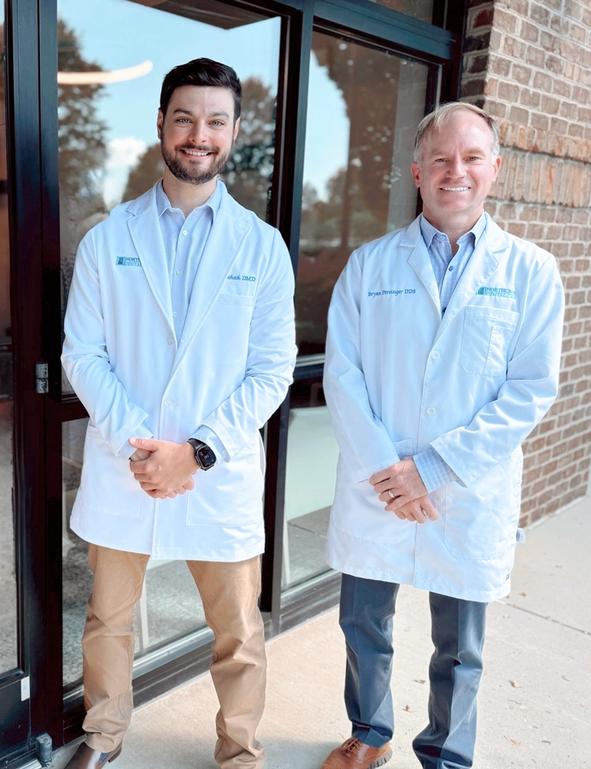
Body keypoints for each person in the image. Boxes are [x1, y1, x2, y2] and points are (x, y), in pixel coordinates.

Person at [61, 58, 296, 769]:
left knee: (237, 628)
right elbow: (83, 351)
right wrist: (145, 445)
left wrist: (193, 450)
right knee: (108, 618)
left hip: (213, 469)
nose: (199, 134)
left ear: (232, 132)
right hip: (127, 460)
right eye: (185, 118)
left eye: (215, 121)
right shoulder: (108, 238)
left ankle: (240, 749)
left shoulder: (261, 246)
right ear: (161, 124)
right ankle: (102, 735)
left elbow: (270, 369)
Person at [320, 102, 564, 769]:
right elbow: (341, 376)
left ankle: (444, 754)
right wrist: (388, 470)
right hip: (378, 485)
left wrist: (429, 468)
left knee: (459, 644)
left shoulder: (531, 272)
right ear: (417, 173)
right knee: (363, 623)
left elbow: (529, 390)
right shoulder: (370, 266)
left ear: (494, 170)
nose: (455, 171)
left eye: (471, 158)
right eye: (440, 159)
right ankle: (368, 732)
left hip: (464, 487)